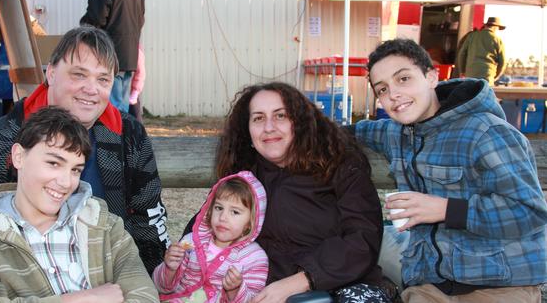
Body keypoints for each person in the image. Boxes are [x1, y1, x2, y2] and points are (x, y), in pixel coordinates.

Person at [0, 26, 169, 302]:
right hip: (12, 285)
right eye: (79, 74)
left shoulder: (130, 138)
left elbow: (148, 224)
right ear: (51, 72)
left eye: (103, 79)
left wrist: (133, 281)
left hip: (100, 277)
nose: (91, 89)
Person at [355, 38, 547, 302]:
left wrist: (445, 209)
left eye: (403, 79)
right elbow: (353, 131)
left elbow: (530, 211)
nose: (393, 94)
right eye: (382, 90)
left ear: (432, 77)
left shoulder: (486, 132)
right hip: (430, 284)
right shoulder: (397, 132)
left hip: (498, 285)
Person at [200, 82, 390, 303]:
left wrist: (302, 280)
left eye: (280, 115)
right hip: (264, 287)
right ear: (247, 129)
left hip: (345, 283)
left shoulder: (340, 164)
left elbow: (363, 238)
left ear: (299, 122)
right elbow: (205, 225)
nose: (269, 127)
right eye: (258, 118)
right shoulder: (243, 174)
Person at [0, 106, 159, 302]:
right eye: (54, 163)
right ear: (19, 156)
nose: (66, 182)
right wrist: (82, 299)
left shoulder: (107, 229)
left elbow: (143, 294)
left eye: (75, 169)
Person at [154, 171, 268, 302]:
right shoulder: (191, 242)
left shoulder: (255, 258)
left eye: (235, 212)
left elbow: (254, 300)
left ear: (251, 222)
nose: (223, 217)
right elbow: (161, 287)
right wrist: (170, 268)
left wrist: (235, 289)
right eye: (219, 208)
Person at [80, 0, 145, 113]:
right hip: (130, 56)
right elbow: (140, 21)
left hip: (110, 55)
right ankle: (122, 137)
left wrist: (83, 28)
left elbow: (96, 20)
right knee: (122, 105)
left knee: (112, 106)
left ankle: (113, 138)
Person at [456, 17, 507, 85]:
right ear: (495, 27)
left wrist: (462, 71)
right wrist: (495, 76)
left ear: (486, 25)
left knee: (471, 94)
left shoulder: (472, 36)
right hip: (487, 75)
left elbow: (462, 54)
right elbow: (503, 62)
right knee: (484, 94)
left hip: (470, 73)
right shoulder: (497, 40)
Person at [128, 45, 146, 122]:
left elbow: (140, 72)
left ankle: (140, 133)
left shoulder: (137, 51)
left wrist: (135, 93)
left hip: (132, 96)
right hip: (126, 94)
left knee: (136, 119)